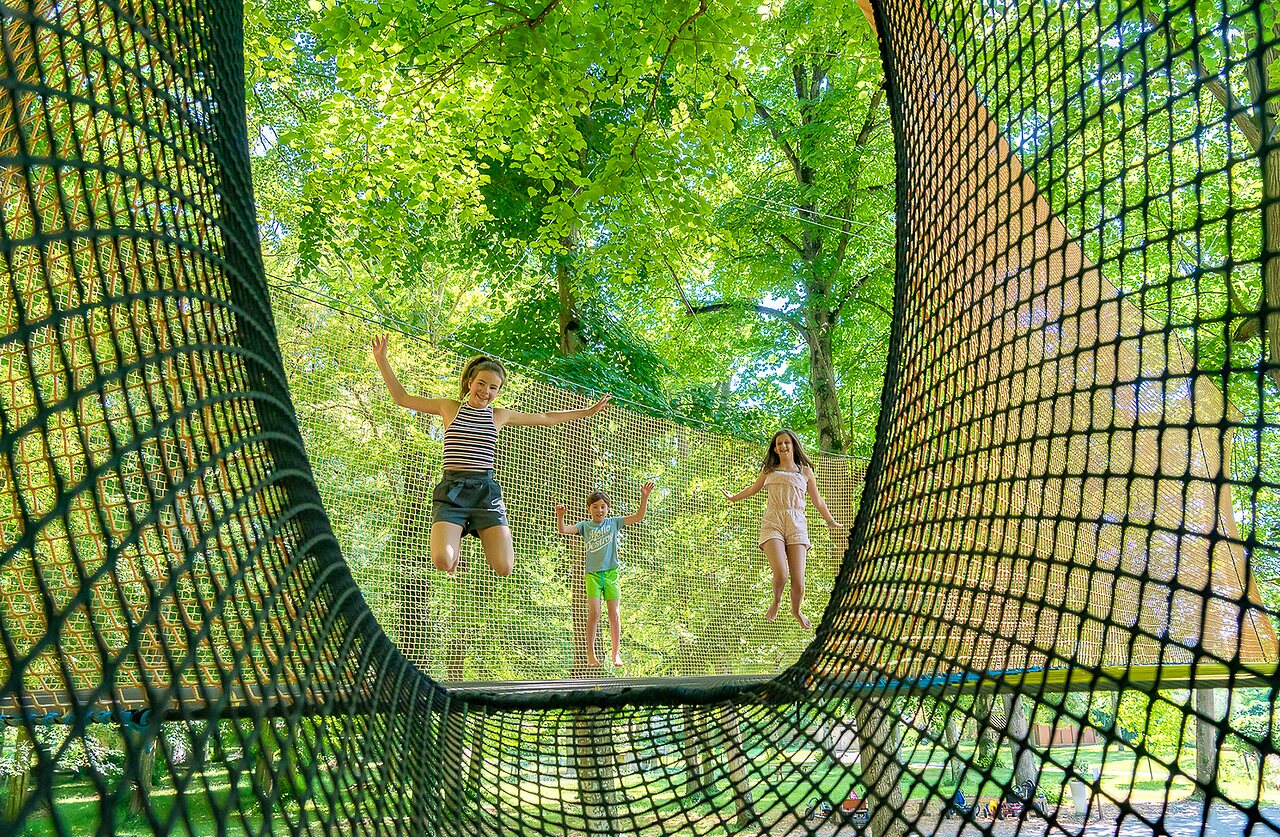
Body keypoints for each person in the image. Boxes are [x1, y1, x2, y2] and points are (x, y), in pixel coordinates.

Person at [372, 334, 609, 577]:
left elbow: (546, 418)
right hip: (453, 490)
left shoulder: (499, 416)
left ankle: (464, 531)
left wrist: (588, 412)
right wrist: (382, 359)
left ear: (498, 391)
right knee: (443, 561)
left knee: (504, 568)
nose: (486, 391)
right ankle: (456, 536)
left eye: (493, 387)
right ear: (470, 383)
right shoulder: (449, 408)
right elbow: (402, 398)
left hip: (486, 493)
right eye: (481, 383)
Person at [723, 429, 839, 629]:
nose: (783, 446)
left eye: (786, 442)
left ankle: (796, 611)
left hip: (797, 524)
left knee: (799, 583)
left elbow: (817, 500)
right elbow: (753, 488)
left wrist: (830, 521)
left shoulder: (805, 471)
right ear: (775, 449)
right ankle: (776, 600)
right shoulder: (769, 470)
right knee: (781, 573)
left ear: (793, 445)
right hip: (773, 522)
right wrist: (734, 497)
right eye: (778, 444)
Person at [555, 482, 653, 667]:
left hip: (611, 574)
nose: (599, 510)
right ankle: (590, 653)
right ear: (589, 509)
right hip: (592, 575)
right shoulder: (585, 526)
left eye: (602, 506)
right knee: (594, 613)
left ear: (607, 508)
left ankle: (616, 654)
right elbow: (563, 530)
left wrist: (644, 497)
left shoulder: (614, 522)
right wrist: (561, 516)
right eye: (595, 507)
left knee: (614, 613)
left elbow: (639, 516)